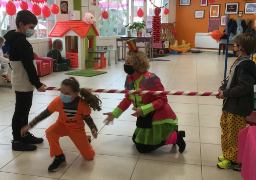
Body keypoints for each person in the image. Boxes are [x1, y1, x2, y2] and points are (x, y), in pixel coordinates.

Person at [103, 38, 186, 154]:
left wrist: (144, 109)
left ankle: (175, 137)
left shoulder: (151, 79)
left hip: (157, 115)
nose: (125, 65)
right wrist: (115, 113)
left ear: (137, 65)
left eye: (128, 63)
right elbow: (128, 99)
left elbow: (163, 99)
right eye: (125, 62)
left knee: (142, 148)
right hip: (144, 116)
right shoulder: (130, 79)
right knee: (135, 140)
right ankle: (173, 134)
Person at [21, 77, 100, 172]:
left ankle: (86, 139)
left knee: (89, 157)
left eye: (67, 94)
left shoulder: (82, 104)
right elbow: (44, 114)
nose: (63, 95)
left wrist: (93, 128)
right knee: (50, 132)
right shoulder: (57, 101)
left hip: (76, 130)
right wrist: (30, 125)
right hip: (62, 125)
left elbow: (88, 119)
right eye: (62, 92)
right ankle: (59, 157)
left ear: (75, 94)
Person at [4, 10, 47, 151]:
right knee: (20, 111)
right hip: (23, 81)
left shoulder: (17, 39)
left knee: (25, 109)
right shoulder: (20, 41)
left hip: (23, 81)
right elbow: (28, 65)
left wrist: (34, 83)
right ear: (21, 24)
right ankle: (17, 140)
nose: (32, 30)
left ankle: (25, 134)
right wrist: (38, 83)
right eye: (30, 27)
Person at [217, 33, 256, 171]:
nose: (232, 47)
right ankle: (228, 155)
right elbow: (231, 80)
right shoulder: (239, 61)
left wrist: (226, 93)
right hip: (230, 104)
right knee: (226, 129)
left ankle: (234, 160)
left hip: (238, 107)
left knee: (234, 135)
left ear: (241, 47)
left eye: (234, 45)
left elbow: (243, 87)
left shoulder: (247, 66)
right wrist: (223, 88)